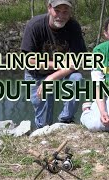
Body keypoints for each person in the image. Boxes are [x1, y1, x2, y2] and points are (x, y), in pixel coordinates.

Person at [21, 0, 87, 128]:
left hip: (64, 72)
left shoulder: (73, 27)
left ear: (70, 13)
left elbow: (79, 61)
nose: (61, 16)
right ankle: (44, 129)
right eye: (57, 11)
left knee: (76, 79)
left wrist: (51, 77)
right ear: (49, 8)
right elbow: (28, 60)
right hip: (37, 73)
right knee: (43, 121)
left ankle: (65, 120)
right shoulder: (35, 25)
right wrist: (56, 66)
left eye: (65, 12)